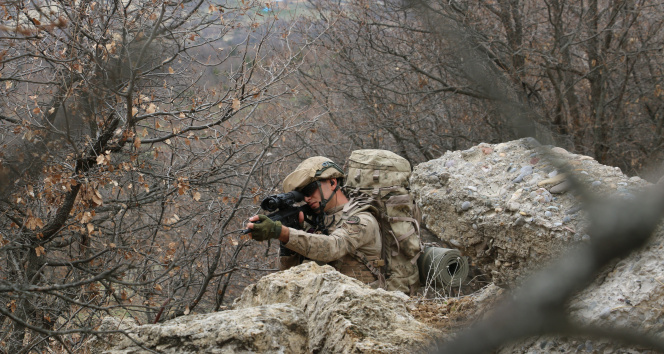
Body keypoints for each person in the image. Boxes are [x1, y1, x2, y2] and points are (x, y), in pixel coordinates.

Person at [246, 156, 385, 287]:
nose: (307, 198)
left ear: (332, 182)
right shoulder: (315, 221)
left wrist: (283, 233)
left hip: (360, 301)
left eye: (309, 190)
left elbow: (333, 247)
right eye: (302, 195)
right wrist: (287, 244)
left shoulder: (361, 219)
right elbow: (288, 273)